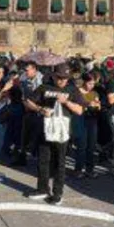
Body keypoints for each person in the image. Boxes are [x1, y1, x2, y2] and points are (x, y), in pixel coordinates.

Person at [26, 64, 85, 204]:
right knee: (43, 160)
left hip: (62, 131)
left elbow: (80, 110)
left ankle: (57, 194)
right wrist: (40, 109)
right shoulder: (44, 87)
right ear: (54, 76)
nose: (62, 81)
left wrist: (66, 102)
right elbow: (27, 102)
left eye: (65, 78)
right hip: (45, 129)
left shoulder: (72, 89)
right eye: (60, 78)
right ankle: (42, 189)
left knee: (59, 162)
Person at [13, 61, 44, 166]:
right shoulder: (25, 78)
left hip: (37, 110)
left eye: (28, 70)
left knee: (38, 135)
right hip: (27, 110)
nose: (26, 72)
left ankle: (40, 159)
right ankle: (22, 157)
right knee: (24, 134)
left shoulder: (41, 80)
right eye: (25, 70)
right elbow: (23, 91)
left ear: (34, 70)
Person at [72, 72, 101, 178]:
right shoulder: (76, 92)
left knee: (91, 147)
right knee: (81, 146)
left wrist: (97, 105)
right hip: (80, 120)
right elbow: (76, 106)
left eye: (93, 84)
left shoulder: (95, 93)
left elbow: (98, 107)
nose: (91, 86)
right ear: (84, 82)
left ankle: (90, 169)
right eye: (89, 83)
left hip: (92, 121)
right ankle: (78, 169)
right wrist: (89, 105)